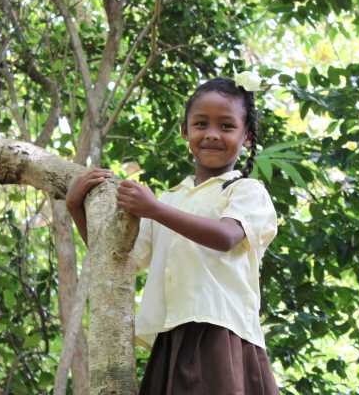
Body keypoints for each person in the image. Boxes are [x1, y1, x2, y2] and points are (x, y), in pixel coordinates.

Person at [65, 77, 280, 394]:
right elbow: (122, 256)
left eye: (226, 126)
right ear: (185, 131)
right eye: (201, 124)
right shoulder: (169, 199)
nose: (211, 134)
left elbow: (226, 236)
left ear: (246, 137)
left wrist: (153, 209)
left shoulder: (246, 191)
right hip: (170, 338)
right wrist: (74, 207)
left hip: (221, 335)